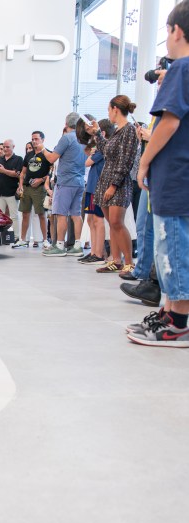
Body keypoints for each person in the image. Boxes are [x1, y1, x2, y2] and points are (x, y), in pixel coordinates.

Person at [128, 0, 189, 347]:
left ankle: (178, 322)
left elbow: (169, 121)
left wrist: (145, 161)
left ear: (175, 31)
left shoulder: (181, 68)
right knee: (176, 245)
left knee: (173, 246)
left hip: (175, 175)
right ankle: (170, 311)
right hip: (182, 174)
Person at [86, 96, 139, 275]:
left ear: (116, 109)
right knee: (112, 224)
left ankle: (129, 263)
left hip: (118, 183)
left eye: (109, 109)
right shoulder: (118, 131)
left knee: (117, 222)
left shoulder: (129, 130)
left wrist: (114, 185)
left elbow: (126, 160)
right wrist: (96, 133)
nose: (108, 113)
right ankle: (116, 261)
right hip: (105, 181)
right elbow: (107, 150)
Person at [40, 113, 87, 257]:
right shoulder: (83, 139)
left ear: (66, 124)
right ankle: (77, 246)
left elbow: (51, 158)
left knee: (61, 214)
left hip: (66, 182)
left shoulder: (66, 138)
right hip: (79, 181)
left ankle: (60, 245)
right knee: (76, 214)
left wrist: (42, 149)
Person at [78, 119, 115, 265]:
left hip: (98, 188)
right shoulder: (99, 148)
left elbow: (87, 162)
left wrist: (93, 152)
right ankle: (93, 251)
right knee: (90, 220)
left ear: (102, 133)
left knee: (98, 220)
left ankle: (99, 254)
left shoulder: (104, 148)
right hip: (92, 187)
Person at [13, 131, 50, 248]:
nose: (34, 141)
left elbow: (51, 173)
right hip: (26, 188)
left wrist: (41, 180)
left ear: (42, 140)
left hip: (39, 189)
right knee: (25, 214)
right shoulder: (29, 155)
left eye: (36, 139)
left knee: (41, 214)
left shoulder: (47, 154)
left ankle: (45, 240)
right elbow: (23, 172)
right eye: (32, 139)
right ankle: (23, 240)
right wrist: (20, 185)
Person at [0, 139, 23, 231]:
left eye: (7, 147)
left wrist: (3, 170)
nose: (5, 149)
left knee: (14, 216)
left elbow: (17, 174)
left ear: (13, 147)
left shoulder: (18, 159)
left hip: (11, 192)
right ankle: (0, 235)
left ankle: (16, 236)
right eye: (4, 147)